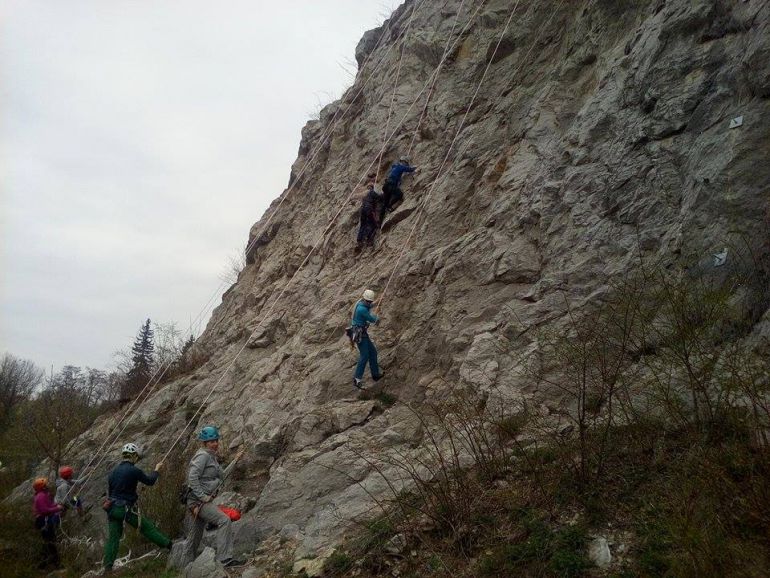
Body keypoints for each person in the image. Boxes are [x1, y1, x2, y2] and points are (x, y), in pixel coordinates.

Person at [103, 443, 172, 572]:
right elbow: (150, 481)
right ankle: (169, 545)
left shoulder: (113, 472)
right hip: (125, 508)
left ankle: (108, 567)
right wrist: (156, 470)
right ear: (134, 456)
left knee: (113, 538)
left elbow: (111, 492)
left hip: (112, 509)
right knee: (147, 528)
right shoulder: (134, 470)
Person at [182, 426, 245, 568]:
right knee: (224, 520)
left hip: (198, 501)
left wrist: (235, 460)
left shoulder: (211, 457)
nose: (215, 443)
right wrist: (203, 497)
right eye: (211, 441)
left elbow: (223, 476)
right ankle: (225, 559)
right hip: (198, 501)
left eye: (216, 440)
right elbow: (192, 477)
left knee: (196, 534)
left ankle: (186, 565)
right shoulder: (203, 456)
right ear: (204, 443)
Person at [351, 289, 384, 389]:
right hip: (360, 334)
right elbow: (373, 320)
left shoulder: (361, 303)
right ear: (365, 299)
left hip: (361, 332)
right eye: (369, 301)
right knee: (364, 356)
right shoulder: (362, 310)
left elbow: (368, 305)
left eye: (370, 301)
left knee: (373, 352)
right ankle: (357, 379)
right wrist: (377, 314)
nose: (369, 302)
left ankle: (375, 374)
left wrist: (377, 302)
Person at [32, 477, 63, 570]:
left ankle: (44, 563)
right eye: (45, 485)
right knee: (50, 541)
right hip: (43, 521)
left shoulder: (43, 495)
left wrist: (56, 505)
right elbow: (44, 510)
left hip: (45, 520)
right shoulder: (41, 496)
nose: (47, 486)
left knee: (49, 542)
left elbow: (49, 505)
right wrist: (57, 508)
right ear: (42, 487)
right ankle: (54, 563)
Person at [380, 156, 416, 222]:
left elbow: (395, 170)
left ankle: (379, 221)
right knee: (399, 194)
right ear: (404, 161)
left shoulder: (395, 166)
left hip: (386, 185)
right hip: (391, 184)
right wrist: (415, 167)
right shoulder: (401, 166)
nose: (406, 164)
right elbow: (410, 169)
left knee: (385, 203)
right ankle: (389, 206)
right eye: (406, 163)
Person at [356, 183, 382, 251]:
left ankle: (359, 240)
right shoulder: (371, 192)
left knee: (363, 225)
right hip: (369, 209)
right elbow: (379, 197)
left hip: (363, 210)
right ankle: (369, 239)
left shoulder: (364, 195)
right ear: (372, 188)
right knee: (373, 224)